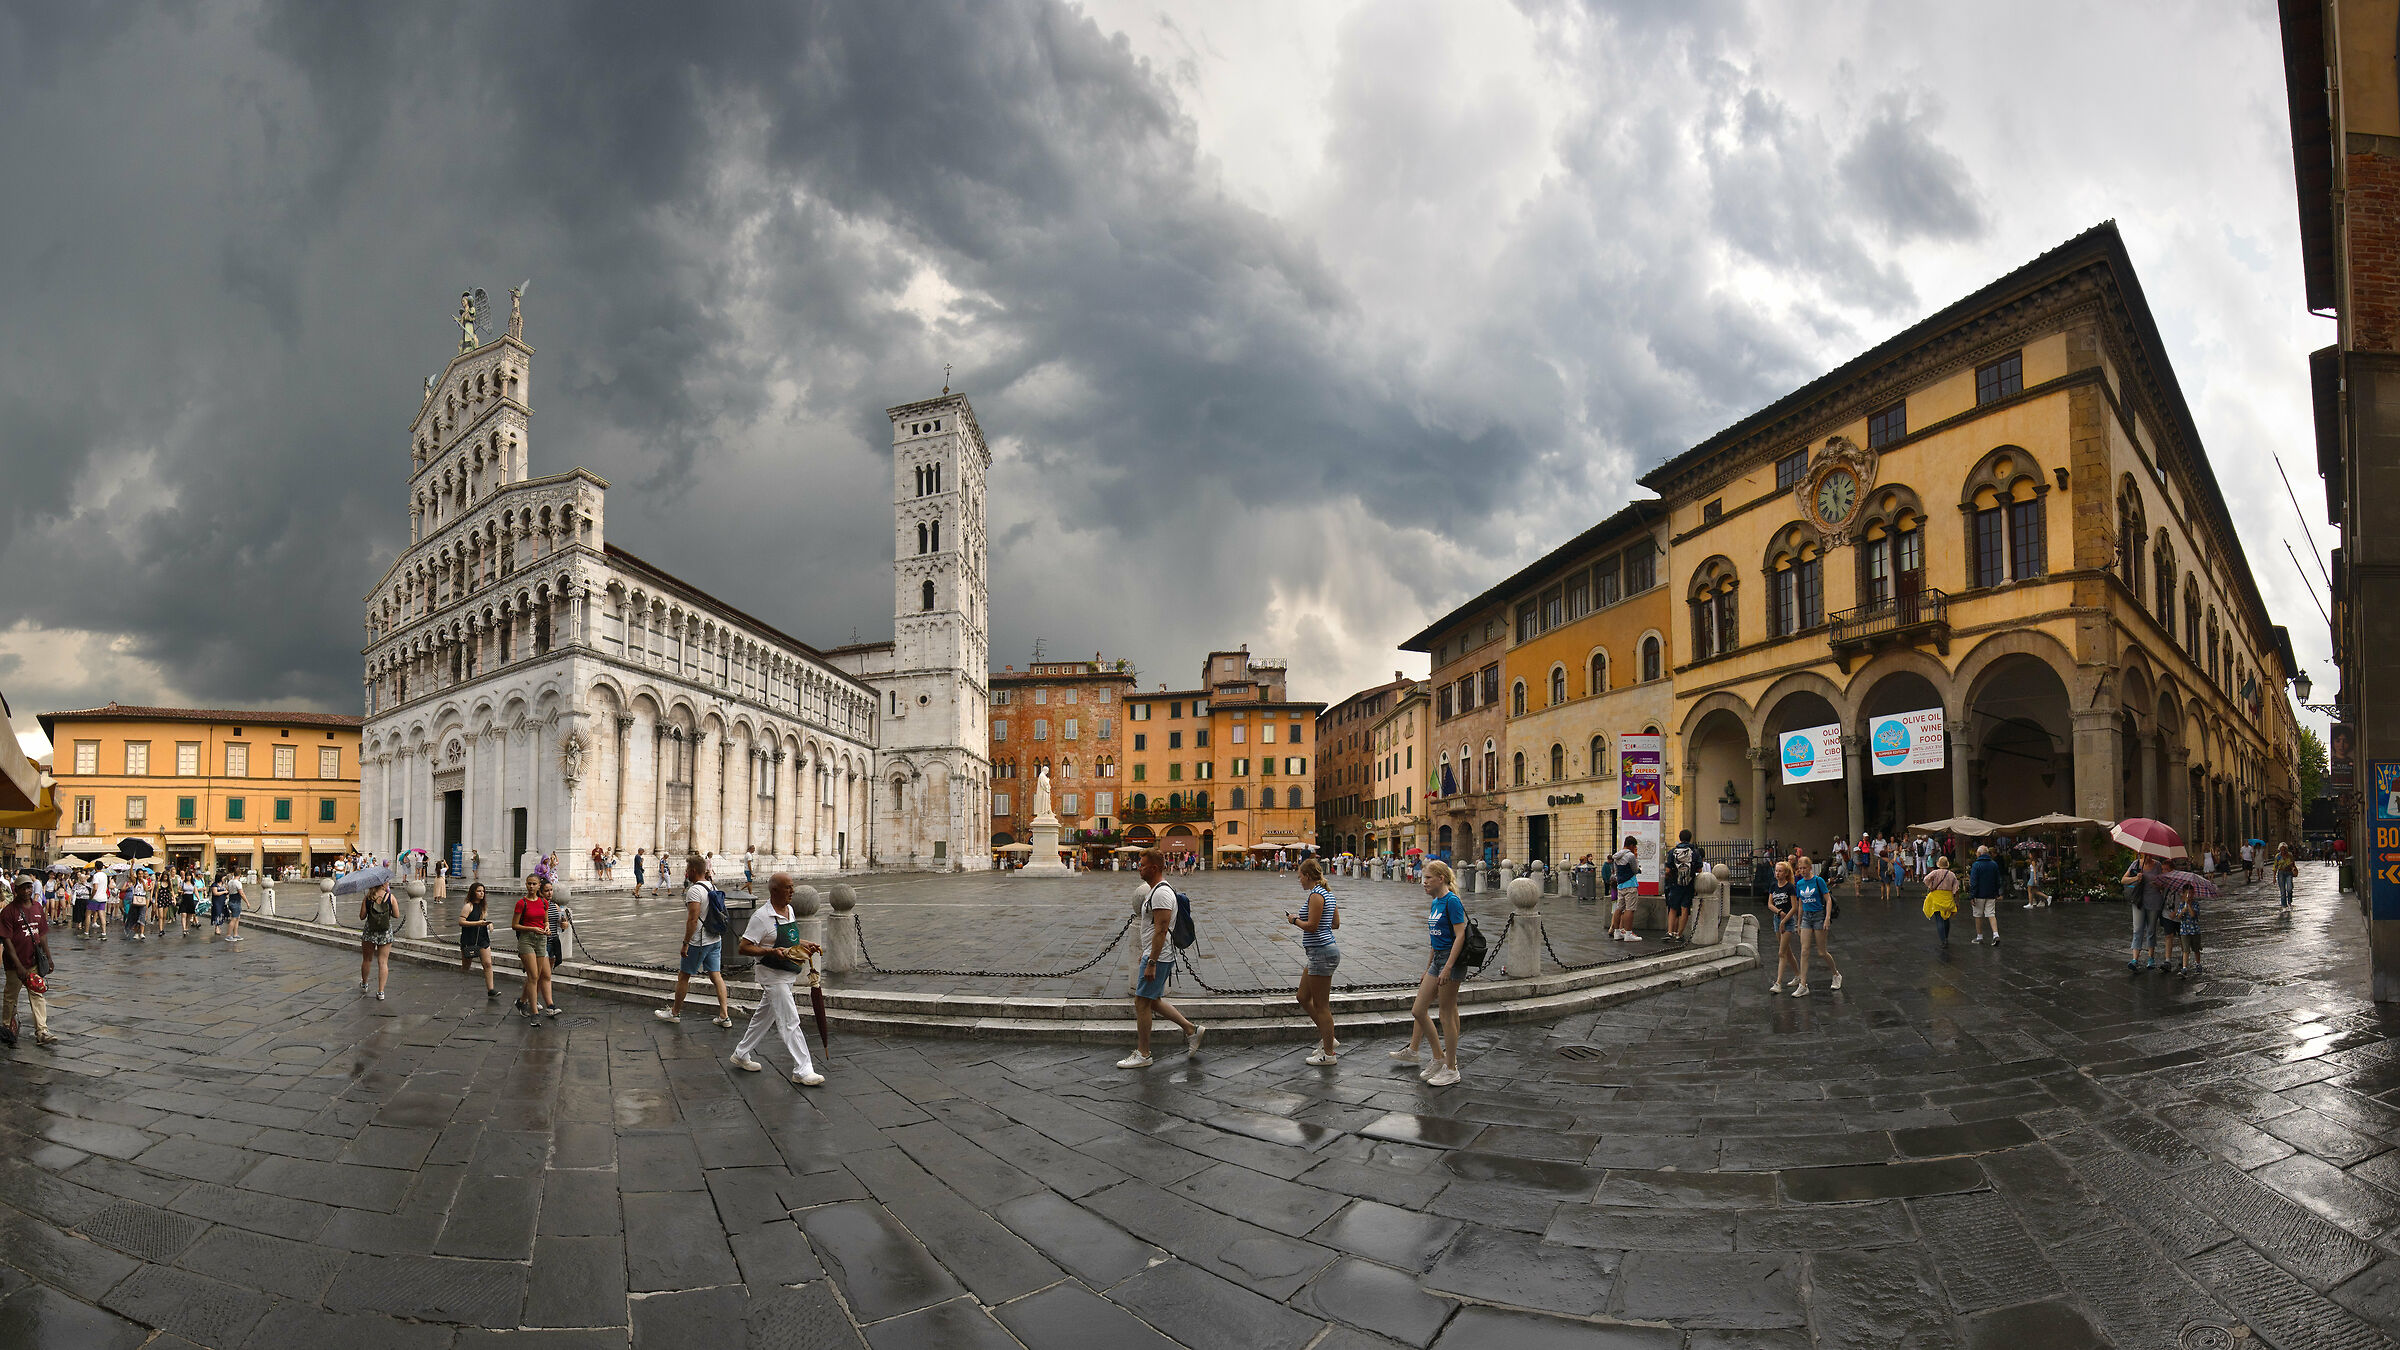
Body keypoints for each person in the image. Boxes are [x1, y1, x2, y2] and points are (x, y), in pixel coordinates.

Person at [730, 873, 825, 1085]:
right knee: (790, 1020)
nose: (792, 891)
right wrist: (771, 952)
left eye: (793, 887)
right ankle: (803, 1069)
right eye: (788, 888)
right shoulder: (761, 917)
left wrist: (806, 943)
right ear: (774, 891)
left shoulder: (789, 910)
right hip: (771, 975)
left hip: (787, 972)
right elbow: (744, 947)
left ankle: (741, 1053)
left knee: (764, 1016)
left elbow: (788, 938)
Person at [1117, 849, 1203, 1069]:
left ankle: (1144, 1053)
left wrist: (1151, 961)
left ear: (1154, 868)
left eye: (1142, 865)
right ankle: (1190, 1029)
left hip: (1160, 956)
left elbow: (1162, 930)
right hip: (1155, 954)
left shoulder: (1162, 894)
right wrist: (1146, 955)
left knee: (1141, 1002)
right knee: (1152, 1000)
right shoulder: (1155, 891)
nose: (1139, 867)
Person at [657, 856, 735, 1028]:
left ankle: (674, 1013)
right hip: (715, 938)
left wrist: (686, 942)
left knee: (684, 975)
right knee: (716, 975)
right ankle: (724, 1015)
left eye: (687, 869)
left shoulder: (694, 890)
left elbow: (693, 919)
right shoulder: (712, 886)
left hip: (699, 941)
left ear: (693, 870)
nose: (685, 872)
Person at [1408, 859, 1466, 1086]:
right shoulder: (1435, 902)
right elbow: (1435, 940)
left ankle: (1451, 1068)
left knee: (1446, 1013)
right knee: (1418, 1010)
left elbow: (1460, 935)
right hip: (1437, 960)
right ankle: (1439, 1057)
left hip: (1452, 960)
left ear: (1441, 878)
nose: (1424, 883)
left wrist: (1448, 967)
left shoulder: (1452, 901)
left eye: (1428, 879)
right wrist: (1428, 967)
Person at [1286, 858, 1340, 1064]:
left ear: (1307, 876)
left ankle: (1329, 1054)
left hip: (1321, 953)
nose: (1299, 879)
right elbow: (1335, 924)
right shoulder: (1328, 894)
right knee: (1302, 996)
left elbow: (1312, 926)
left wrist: (1294, 920)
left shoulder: (1316, 895)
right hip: (1320, 952)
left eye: (1300, 875)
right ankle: (1329, 1039)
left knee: (1321, 1006)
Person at [2, 878, 55, 1048]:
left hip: (33, 961)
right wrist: (17, 965)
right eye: (23, 888)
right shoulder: (8, 912)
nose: (27, 891)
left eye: (29, 887)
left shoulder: (38, 907)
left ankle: (42, 1031)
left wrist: (48, 957)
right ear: (16, 890)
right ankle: (7, 1027)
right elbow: (7, 942)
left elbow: (43, 935)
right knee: (11, 997)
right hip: (14, 964)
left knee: (37, 994)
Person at [1790, 857, 1841, 995]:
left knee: (1821, 952)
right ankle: (1803, 985)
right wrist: (1799, 922)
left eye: (1804, 868)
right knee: (1804, 951)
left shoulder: (1818, 881)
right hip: (1806, 917)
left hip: (1819, 916)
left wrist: (1827, 918)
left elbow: (1828, 900)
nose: (1802, 871)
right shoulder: (1799, 883)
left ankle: (1836, 974)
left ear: (1810, 867)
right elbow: (1800, 904)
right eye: (1800, 869)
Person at [511, 879, 559, 1017]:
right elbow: (514, 925)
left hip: (542, 941)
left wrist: (547, 927)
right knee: (534, 976)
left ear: (538, 886)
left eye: (534, 884)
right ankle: (535, 1012)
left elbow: (546, 921)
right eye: (529, 884)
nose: (531, 886)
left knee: (539, 975)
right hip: (527, 940)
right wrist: (532, 928)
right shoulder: (522, 903)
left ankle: (522, 1001)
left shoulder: (545, 903)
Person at [355, 879, 399, 999]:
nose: (388, 883)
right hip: (385, 932)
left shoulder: (368, 898)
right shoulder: (390, 897)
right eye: (387, 882)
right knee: (383, 962)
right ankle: (381, 992)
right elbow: (396, 915)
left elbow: (362, 916)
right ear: (383, 884)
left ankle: (364, 984)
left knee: (367, 960)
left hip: (370, 931)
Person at [2123, 854, 2167, 971]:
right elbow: (2123, 880)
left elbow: (2164, 883)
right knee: (2137, 929)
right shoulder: (2136, 864)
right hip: (2138, 901)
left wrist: (2158, 885)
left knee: (2151, 930)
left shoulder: (2157, 865)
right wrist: (2135, 878)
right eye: (2144, 853)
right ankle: (2135, 960)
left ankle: (2150, 958)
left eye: (2149, 854)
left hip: (2154, 901)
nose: (2147, 856)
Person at [1765, 860, 1802, 991]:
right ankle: (1798, 975)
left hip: (1788, 921)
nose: (1777, 873)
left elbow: (1794, 907)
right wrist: (1779, 912)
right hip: (1777, 919)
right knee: (1787, 951)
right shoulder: (1773, 885)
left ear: (1786, 873)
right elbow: (1769, 904)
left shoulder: (1790, 887)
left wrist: (1784, 920)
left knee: (1781, 952)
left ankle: (1778, 983)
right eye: (1776, 870)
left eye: (1780, 871)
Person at [1663, 831, 1703, 945]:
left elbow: (1668, 870)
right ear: (1690, 838)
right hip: (1689, 884)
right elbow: (1699, 869)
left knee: (1673, 908)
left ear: (1679, 838)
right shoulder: (1694, 852)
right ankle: (1679, 934)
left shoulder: (1673, 851)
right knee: (1685, 908)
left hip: (1675, 883)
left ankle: (1670, 932)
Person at [458, 882, 496, 998]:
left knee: (488, 964)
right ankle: (461, 983)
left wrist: (489, 924)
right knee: (466, 965)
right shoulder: (468, 906)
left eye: (483, 891)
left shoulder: (483, 906)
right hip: (469, 938)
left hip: (482, 938)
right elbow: (461, 922)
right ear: (473, 892)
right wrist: (477, 923)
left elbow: (483, 919)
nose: (482, 893)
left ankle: (491, 990)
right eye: (479, 891)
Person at [2166, 882, 2206, 977]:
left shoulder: (2195, 904)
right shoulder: (2181, 905)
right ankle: (2184, 967)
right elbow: (2179, 917)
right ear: (2184, 894)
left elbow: (2193, 915)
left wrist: (2188, 906)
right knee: (2185, 950)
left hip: (2195, 931)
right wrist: (2182, 911)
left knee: (2196, 949)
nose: (2190, 895)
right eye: (2188, 893)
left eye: (2192, 893)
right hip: (2184, 931)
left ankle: (2198, 963)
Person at [1967, 845, 2003, 945]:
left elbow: (1973, 882)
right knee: (1991, 914)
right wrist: (1996, 892)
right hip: (1991, 894)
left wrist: (1972, 895)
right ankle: (1996, 934)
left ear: (1979, 853)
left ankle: (1979, 936)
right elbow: (1998, 880)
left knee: (1978, 915)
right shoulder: (1994, 864)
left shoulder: (1976, 865)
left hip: (1979, 894)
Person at [1608, 836, 1642, 942]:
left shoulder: (1617, 855)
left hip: (1620, 885)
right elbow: (1635, 870)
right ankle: (1628, 933)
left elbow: (1617, 870)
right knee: (1629, 909)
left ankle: (1617, 932)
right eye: (1634, 846)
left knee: (1619, 908)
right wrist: (1639, 869)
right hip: (1630, 885)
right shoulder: (1630, 856)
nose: (1634, 848)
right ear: (1631, 845)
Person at [1923, 856, 1960, 951]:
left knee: (1939, 919)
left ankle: (1943, 940)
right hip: (1947, 898)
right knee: (1946, 919)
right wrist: (1957, 901)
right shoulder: (1952, 874)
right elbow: (1956, 889)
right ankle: (1946, 938)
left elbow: (1926, 879)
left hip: (1936, 898)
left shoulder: (1935, 873)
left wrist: (1931, 886)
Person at [216, 870, 246, 943]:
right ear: (240, 875)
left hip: (231, 901)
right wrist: (247, 902)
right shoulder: (238, 883)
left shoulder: (230, 882)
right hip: (236, 902)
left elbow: (228, 890)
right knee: (234, 919)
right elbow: (241, 893)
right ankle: (228, 935)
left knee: (237, 918)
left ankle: (235, 934)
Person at [124, 871, 150, 942]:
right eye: (139, 874)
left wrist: (143, 882)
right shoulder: (135, 881)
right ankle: (136, 933)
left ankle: (141, 933)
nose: (141, 875)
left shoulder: (145, 881)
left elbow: (146, 889)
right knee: (135, 916)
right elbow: (131, 874)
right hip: (135, 899)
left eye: (142, 874)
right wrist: (132, 865)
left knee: (142, 916)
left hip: (142, 899)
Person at [2275, 843, 2298, 909]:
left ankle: (2289, 901)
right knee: (2282, 891)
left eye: (2284, 850)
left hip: (2288, 873)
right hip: (2281, 873)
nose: (2283, 851)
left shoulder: (2290, 855)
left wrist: (2293, 868)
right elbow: (2275, 866)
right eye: (2282, 850)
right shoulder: (2278, 856)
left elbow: (2293, 864)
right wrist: (2274, 877)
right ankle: (2284, 906)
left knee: (2289, 888)